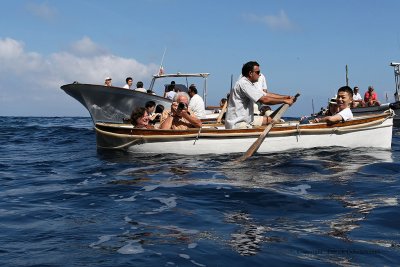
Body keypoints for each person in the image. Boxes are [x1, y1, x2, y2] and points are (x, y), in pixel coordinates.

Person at [225, 61, 295, 129]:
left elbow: (266, 95)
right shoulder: (244, 83)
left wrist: (286, 97)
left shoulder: (249, 84)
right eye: (258, 72)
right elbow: (265, 100)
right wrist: (284, 101)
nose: (260, 75)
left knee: (270, 120)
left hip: (246, 121)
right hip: (237, 124)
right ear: (250, 73)